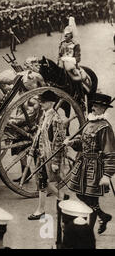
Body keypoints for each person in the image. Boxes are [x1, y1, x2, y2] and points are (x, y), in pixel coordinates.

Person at [64, 92, 115, 234]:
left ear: (104, 109)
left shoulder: (105, 128)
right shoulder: (89, 123)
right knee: (81, 195)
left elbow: (110, 153)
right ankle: (103, 216)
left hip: (95, 167)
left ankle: (88, 233)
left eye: (97, 106)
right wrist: (71, 143)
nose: (93, 108)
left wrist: (107, 175)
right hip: (84, 164)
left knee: (91, 199)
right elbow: (83, 144)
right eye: (93, 105)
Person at [27, 90, 68, 220]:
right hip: (41, 153)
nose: (41, 104)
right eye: (41, 101)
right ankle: (45, 206)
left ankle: (54, 202)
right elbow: (37, 136)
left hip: (50, 156)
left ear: (51, 103)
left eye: (43, 102)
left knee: (47, 181)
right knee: (41, 181)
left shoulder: (56, 119)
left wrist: (55, 162)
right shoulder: (44, 116)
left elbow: (58, 142)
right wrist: (31, 152)